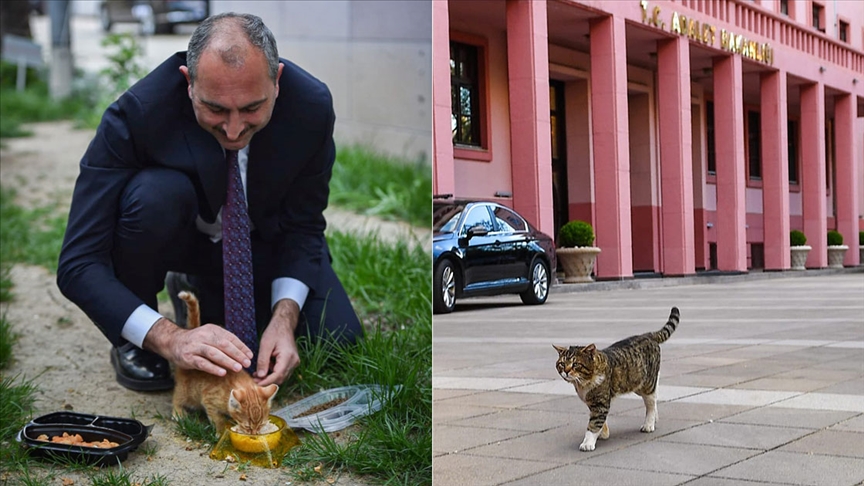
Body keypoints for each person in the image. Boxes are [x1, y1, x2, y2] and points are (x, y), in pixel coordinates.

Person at [56, 12, 362, 392]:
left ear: (277, 82)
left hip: (263, 246)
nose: (234, 130)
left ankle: (203, 291)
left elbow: (304, 225)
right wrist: (169, 337)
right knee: (154, 196)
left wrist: (284, 319)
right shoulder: (136, 114)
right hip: (177, 238)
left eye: (251, 108)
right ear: (188, 83)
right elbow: (78, 263)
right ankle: (136, 334)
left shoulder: (311, 106)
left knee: (337, 341)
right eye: (215, 109)